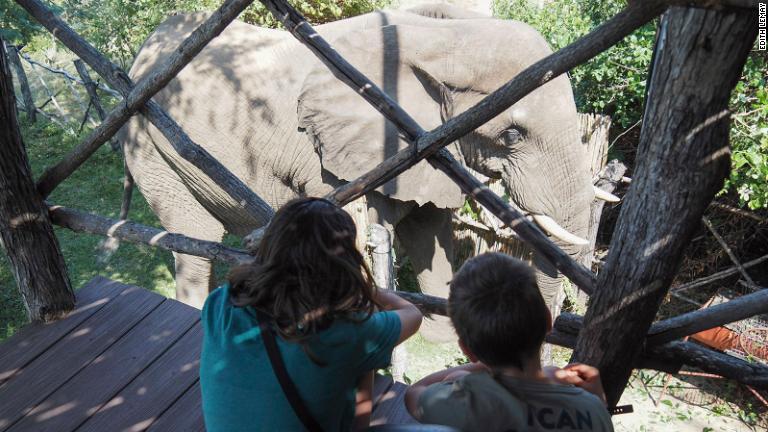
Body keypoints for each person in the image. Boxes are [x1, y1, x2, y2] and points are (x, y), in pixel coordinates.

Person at [200, 197, 422, 431]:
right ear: (341, 263)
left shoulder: (221, 302)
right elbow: (412, 314)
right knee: (364, 357)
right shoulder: (347, 332)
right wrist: (364, 287)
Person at [405, 253, 613, 432]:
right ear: (548, 320)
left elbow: (414, 393)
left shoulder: (464, 400)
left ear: (467, 350)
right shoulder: (591, 411)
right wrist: (599, 403)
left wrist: (468, 373)